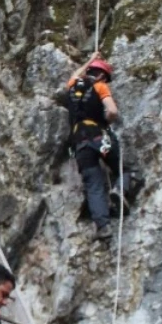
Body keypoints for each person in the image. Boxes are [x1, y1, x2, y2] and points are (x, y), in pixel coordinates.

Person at [56, 51, 134, 241]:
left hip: (80, 144)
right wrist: (107, 118)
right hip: (100, 138)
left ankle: (103, 227)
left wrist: (90, 59)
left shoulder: (74, 86)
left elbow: (75, 74)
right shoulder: (100, 86)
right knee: (123, 169)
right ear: (101, 76)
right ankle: (119, 190)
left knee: (94, 185)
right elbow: (113, 111)